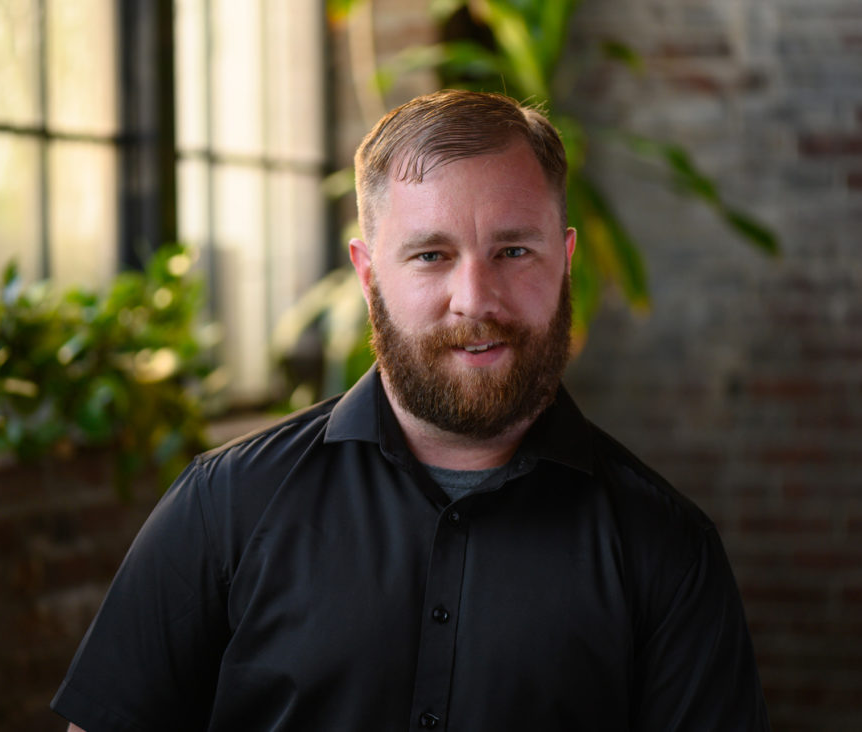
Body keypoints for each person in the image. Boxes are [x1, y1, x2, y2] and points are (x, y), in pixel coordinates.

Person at [52, 89, 770, 731]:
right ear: (369, 275)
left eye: (514, 250)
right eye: (430, 255)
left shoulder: (667, 550)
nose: (475, 299)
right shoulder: (224, 507)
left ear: (564, 261)